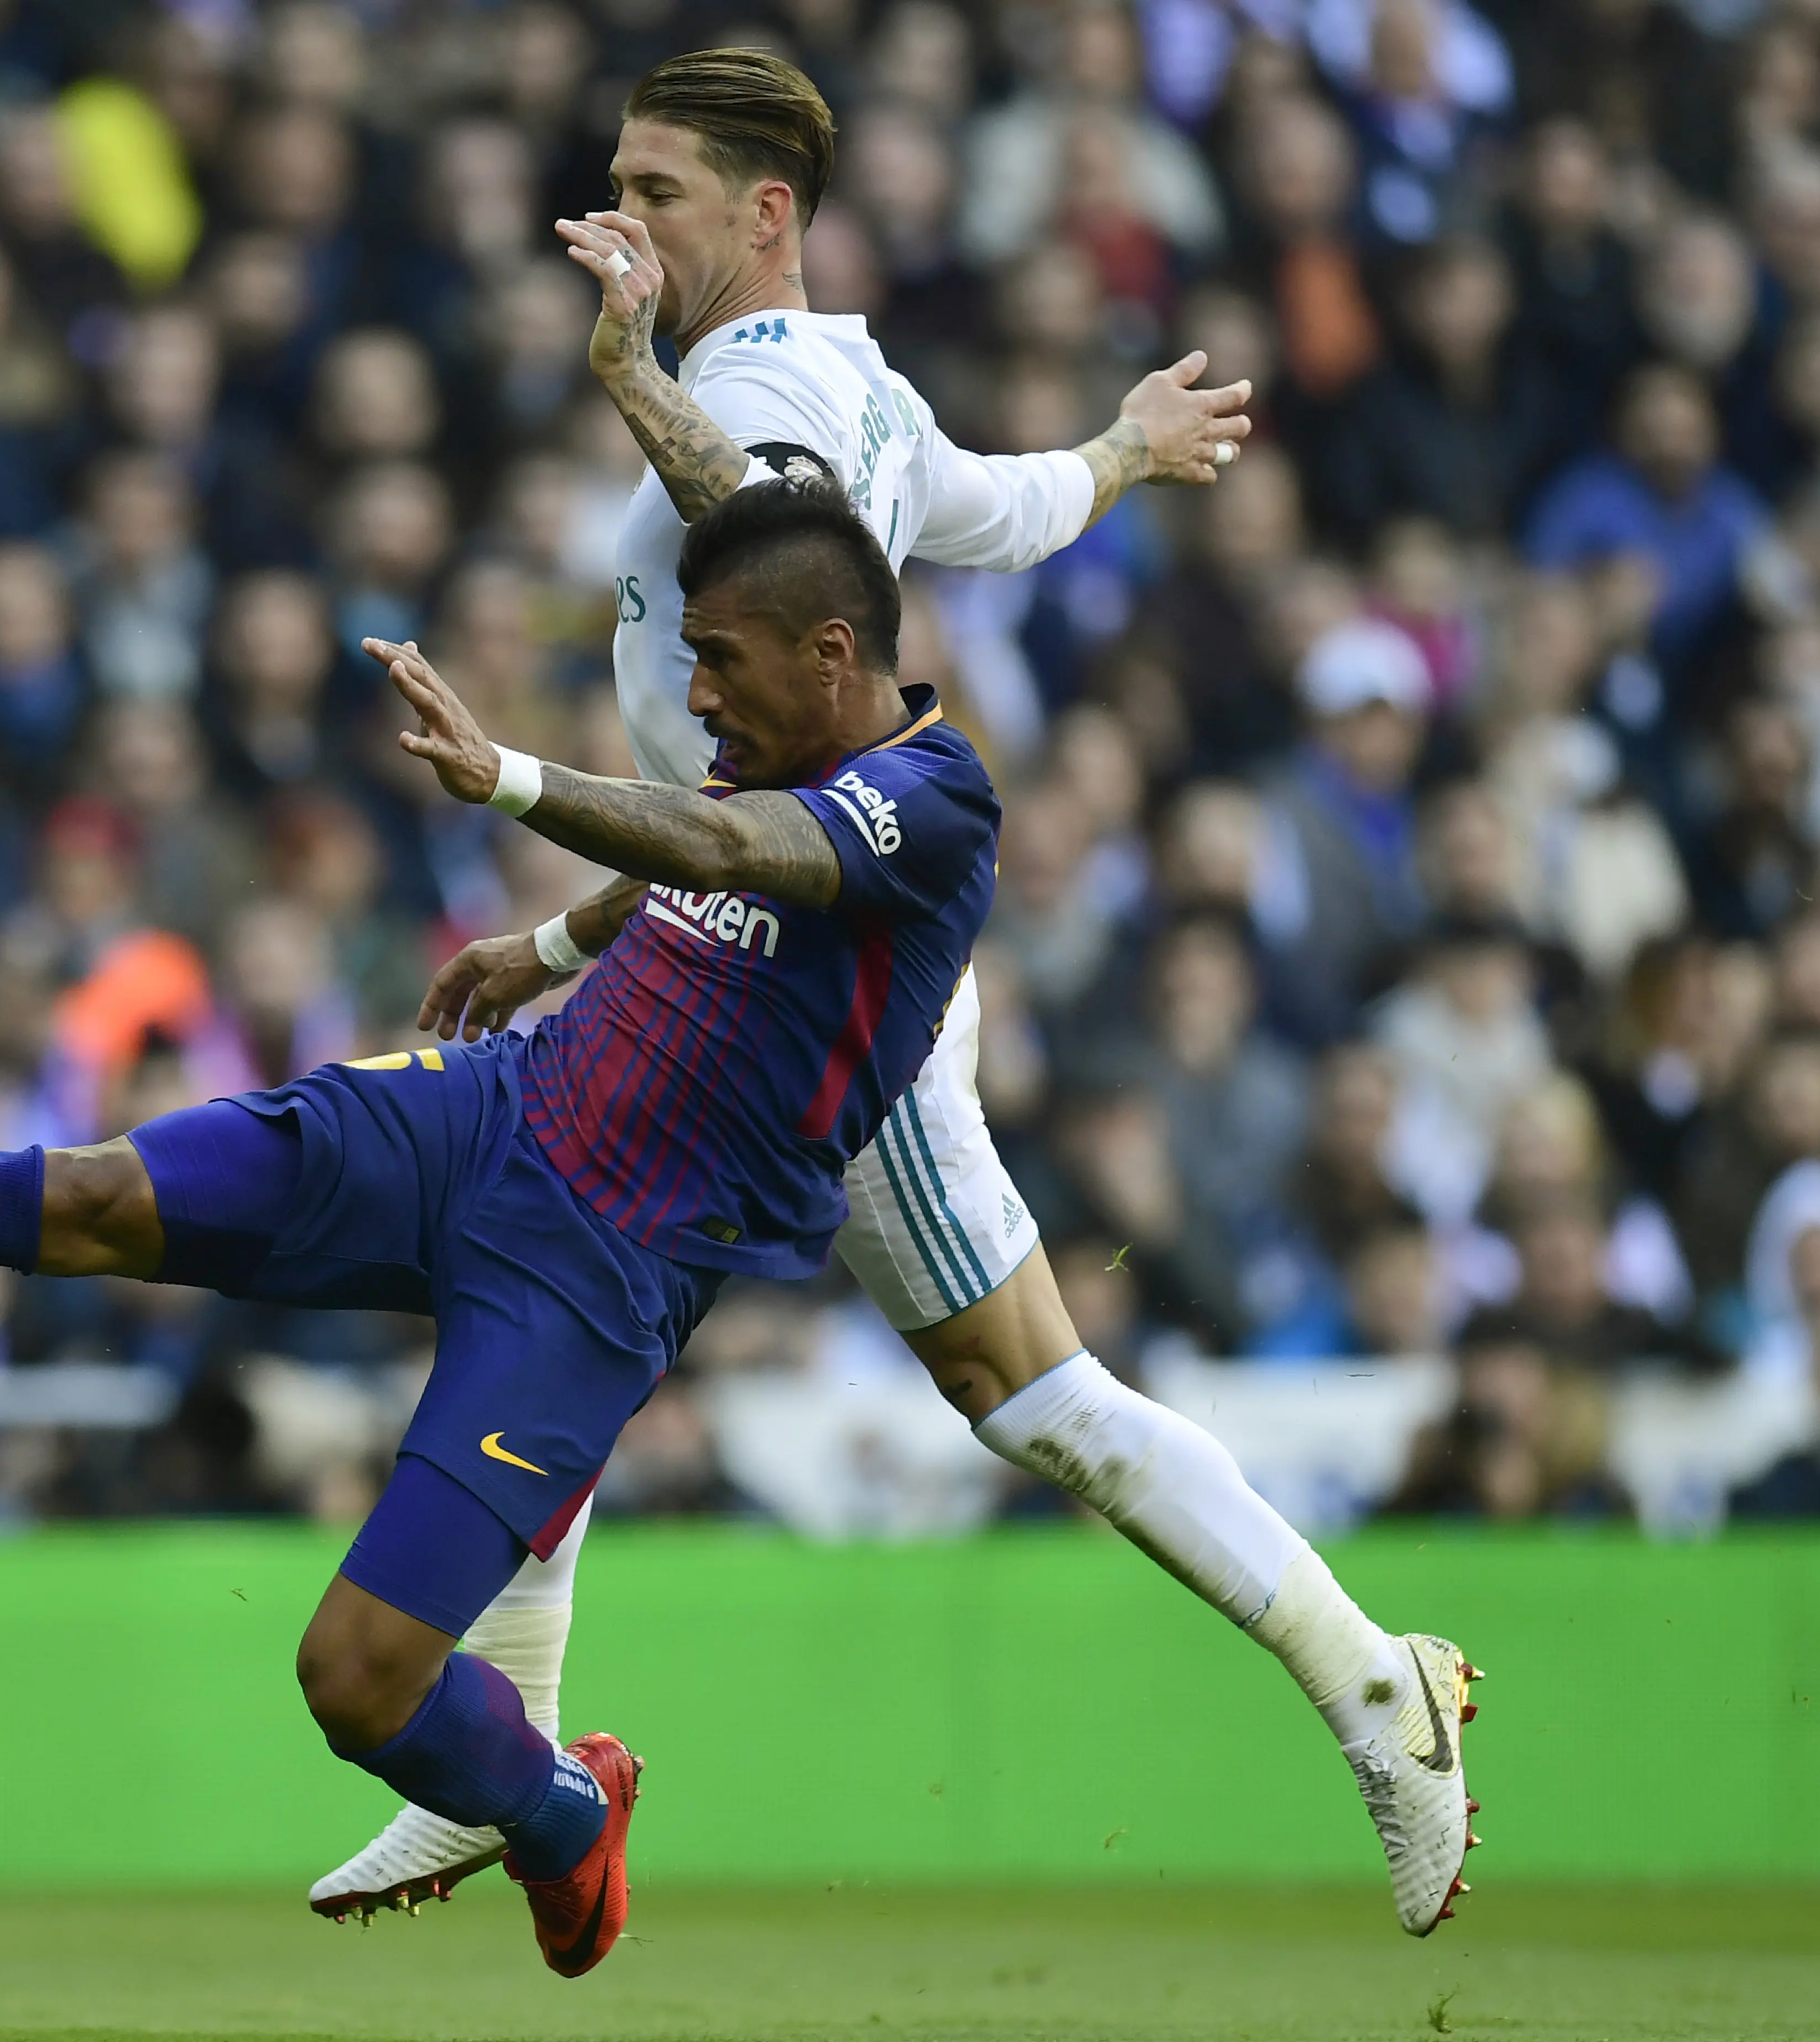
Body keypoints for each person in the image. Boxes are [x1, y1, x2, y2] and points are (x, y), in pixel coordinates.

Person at [0, 483, 1416, 1977]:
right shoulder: (768, 745)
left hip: (597, 1275)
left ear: (835, 654)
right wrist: (552, 934)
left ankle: (562, 1806)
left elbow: (745, 853)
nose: (703, 702)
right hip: (483, 1118)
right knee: (89, 1193)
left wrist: (522, 784)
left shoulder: (938, 799)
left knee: (354, 1682)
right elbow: (704, 878)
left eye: (727, 666)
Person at [313, 47, 1476, 1941]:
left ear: (766, 215)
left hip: (832, 997)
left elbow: (787, 539)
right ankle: (503, 1752)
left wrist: (626, 381)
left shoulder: (757, 386)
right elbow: (988, 518)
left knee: (1019, 1384)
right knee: (556, 1251)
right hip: (740, 933)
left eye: (659, 194)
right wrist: (1121, 451)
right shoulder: (864, 379)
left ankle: (1376, 1687)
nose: (618, 224)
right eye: (616, 181)